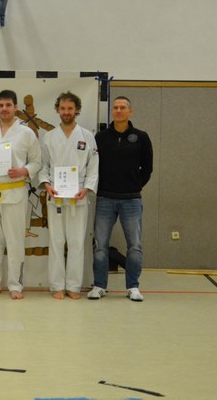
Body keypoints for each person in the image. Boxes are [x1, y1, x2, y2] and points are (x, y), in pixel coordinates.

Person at [0, 90, 41, 300]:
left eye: (8, 105)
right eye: (1, 105)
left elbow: (37, 162)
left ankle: (15, 285)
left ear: (15, 107)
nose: (4, 109)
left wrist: (24, 171)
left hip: (14, 191)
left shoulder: (26, 133)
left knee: (14, 241)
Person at [88, 96, 153, 302]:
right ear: (112, 112)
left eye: (122, 107)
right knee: (100, 245)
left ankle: (133, 287)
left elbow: (147, 168)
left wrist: (134, 186)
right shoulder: (100, 138)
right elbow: (93, 166)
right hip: (105, 199)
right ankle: (99, 285)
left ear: (130, 112)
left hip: (131, 200)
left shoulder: (141, 137)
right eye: (115, 107)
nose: (118, 110)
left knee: (134, 245)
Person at [38, 92, 98, 300]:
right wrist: (47, 185)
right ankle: (57, 286)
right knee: (56, 241)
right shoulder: (49, 137)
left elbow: (94, 167)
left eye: (70, 109)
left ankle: (73, 286)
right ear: (57, 110)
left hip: (78, 195)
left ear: (77, 110)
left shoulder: (87, 136)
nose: (66, 112)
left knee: (76, 242)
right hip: (55, 194)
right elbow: (43, 166)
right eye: (63, 109)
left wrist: (87, 188)